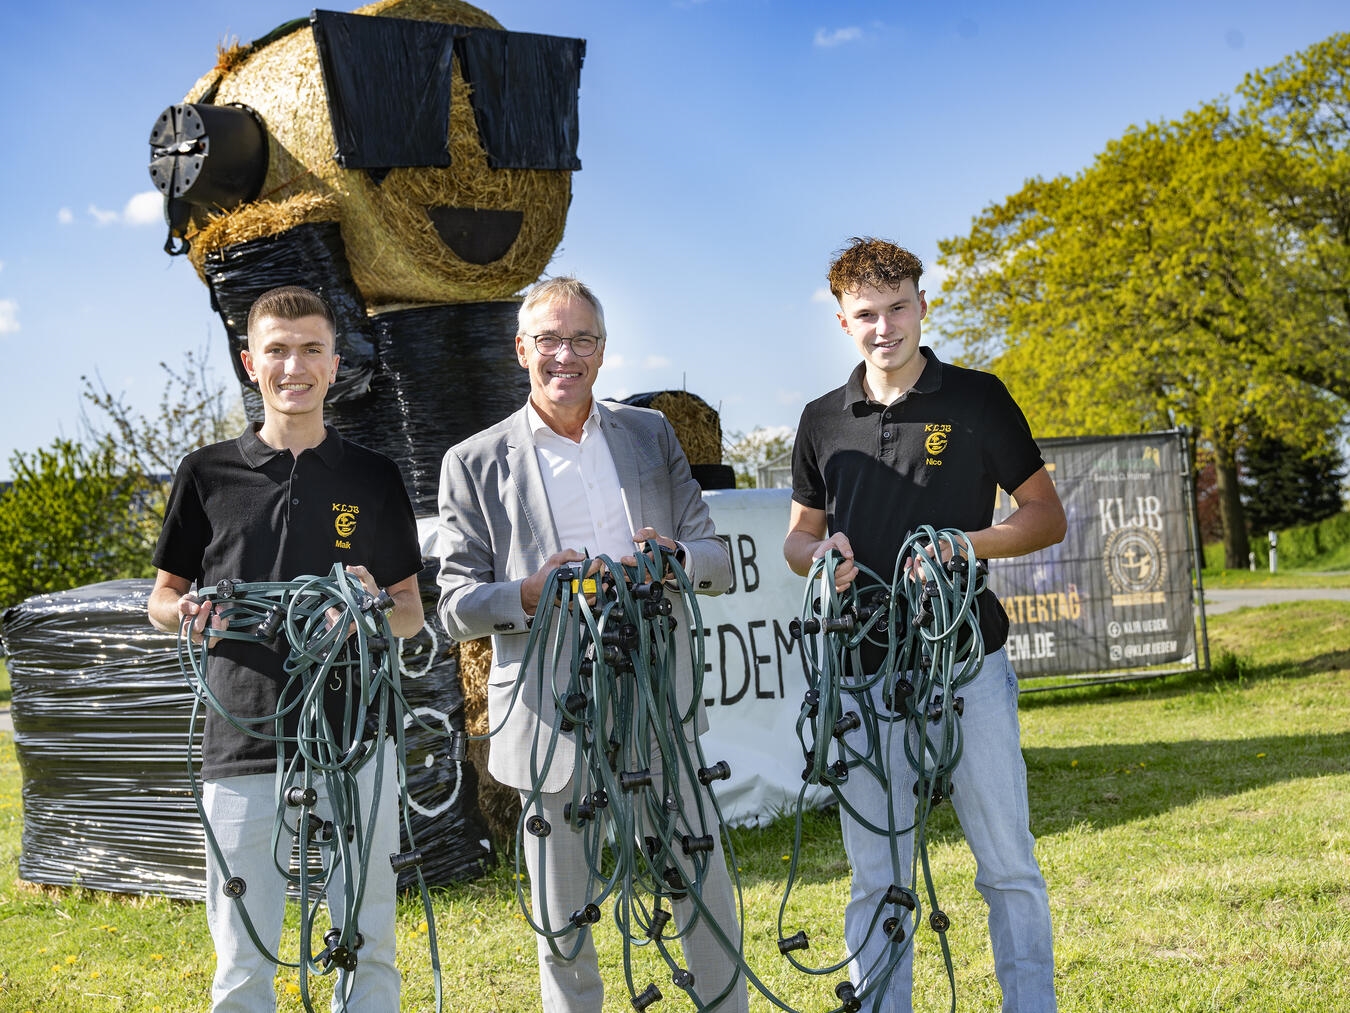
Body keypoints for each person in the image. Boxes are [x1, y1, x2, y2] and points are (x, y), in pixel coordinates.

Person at [436, 276, 748, 1013]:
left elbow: (717, 558)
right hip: (550, 714)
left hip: (654, 696)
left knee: (701, 879)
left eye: (581, 339)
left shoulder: (651, 436)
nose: (564, 355)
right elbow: (453, 607)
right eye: (548, 338)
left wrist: (672, 555)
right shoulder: (474, 461)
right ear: (521, 349)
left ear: (603, 352)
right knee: (562, 912)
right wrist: (526, 594)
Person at [783, 238, 1066, 1013]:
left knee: (1006, 862)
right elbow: (796, 536)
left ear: (923, 307)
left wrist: (962, 544)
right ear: (843, 321)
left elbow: (1046, 516)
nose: (885, 327)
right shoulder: (819, 419)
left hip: (968, 663)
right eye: (867, 314)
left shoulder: (978, 399)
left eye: (898, 307)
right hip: (862, 669)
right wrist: (819, 555)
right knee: (877, 872)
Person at [147, 285, 425, 1013]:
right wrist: (190, 616)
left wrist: (368, 606)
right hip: (241, 735)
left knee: (369, 946)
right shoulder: (207, 473)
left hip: (356, 737)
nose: (292, 365)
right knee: (242, 958)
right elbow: (160, 599)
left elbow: (410, 612)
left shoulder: (373, 475)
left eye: (309, 349)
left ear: (335, 365)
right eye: (276, 349)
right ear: (249, 363)